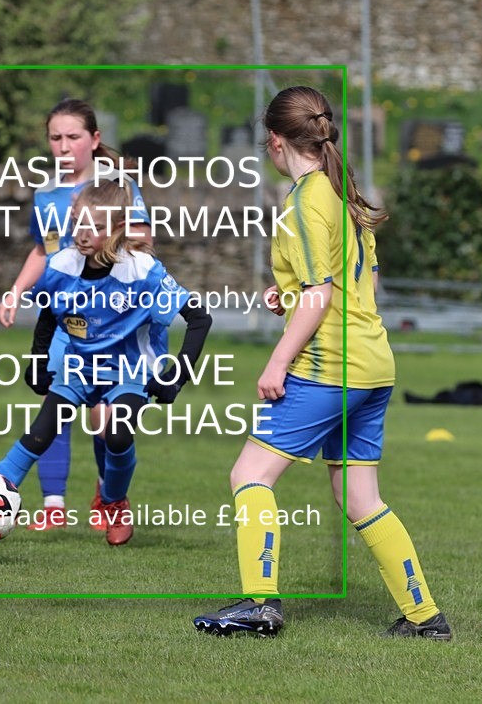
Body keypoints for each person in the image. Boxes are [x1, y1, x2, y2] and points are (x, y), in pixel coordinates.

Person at [193, 86, 451, 640]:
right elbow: (362, 283)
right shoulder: (344, 197)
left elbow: (320, 292)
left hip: (328, 364)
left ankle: (260, 603)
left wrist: (277, 362)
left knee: (249, 475)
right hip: (374, 364)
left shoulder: (303, 201)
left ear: (275, 140)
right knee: (358, 496)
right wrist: (286, 294)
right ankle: (425, 616)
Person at [0, 179, 210, 546]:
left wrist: (175, 377)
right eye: (79, 223)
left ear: (119, 228)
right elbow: (48, 315)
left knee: (117, 435)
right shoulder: (61, 263)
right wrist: (38, 363)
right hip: (77, 369)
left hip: (129, 371)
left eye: (96, 227)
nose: (84, 234)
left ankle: (114, 502)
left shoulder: (142, 270)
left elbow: (200, 319)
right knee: (39, 433)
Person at [0, 99, 151, 532]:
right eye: (56, 138)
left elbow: (141, 241)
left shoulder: (117, 188)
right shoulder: (46, 194)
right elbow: (42, 250)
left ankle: (108, 495)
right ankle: (52, 505)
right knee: (56, 404)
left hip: (111, 326)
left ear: (94, 140)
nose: (64, 147)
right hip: (65, 322)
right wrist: (15, 291)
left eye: (73, 137)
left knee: (104, 420)